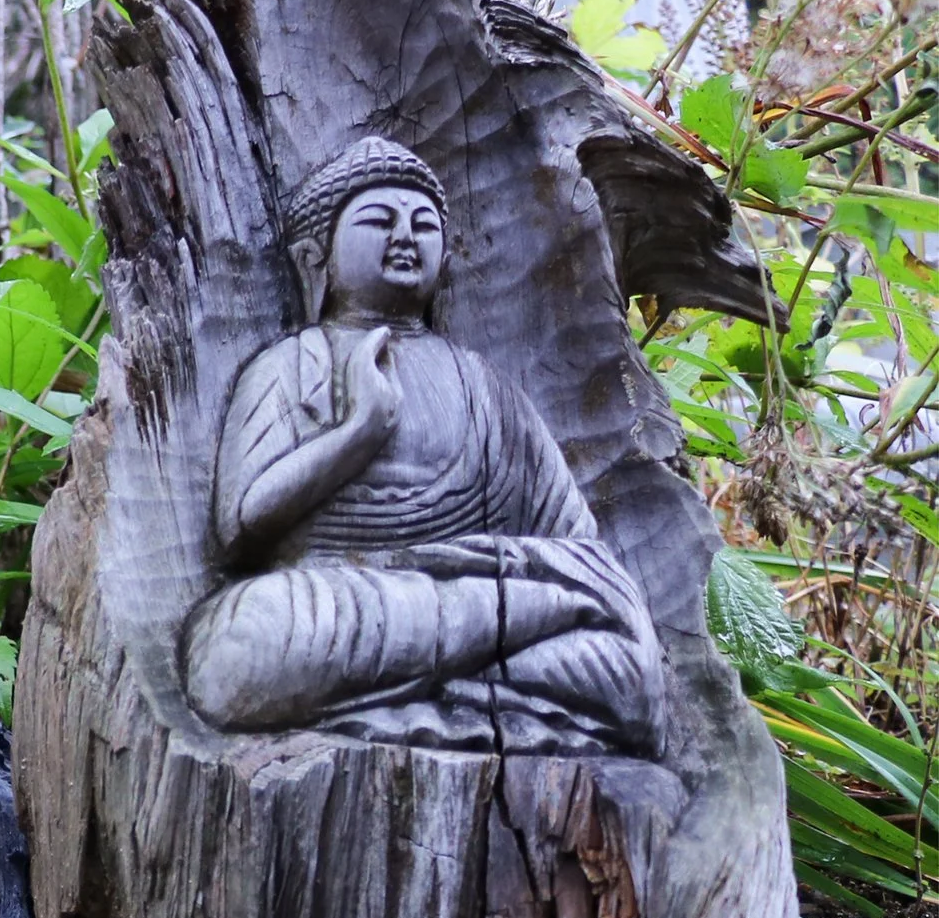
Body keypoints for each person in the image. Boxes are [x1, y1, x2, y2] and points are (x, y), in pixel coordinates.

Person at [182, 137, 666, 756]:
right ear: (314, 257)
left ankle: (434, 684)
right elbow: (239, 526)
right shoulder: (291, 366)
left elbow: (574, 548)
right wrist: (359, 432)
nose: (404, 238)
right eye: (378, 221)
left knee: (628, 660)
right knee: (242, 645)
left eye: (424, 224)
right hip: (339, 601)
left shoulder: (482, 384)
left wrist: (507, 590)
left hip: (478, 599)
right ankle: (476, 685)